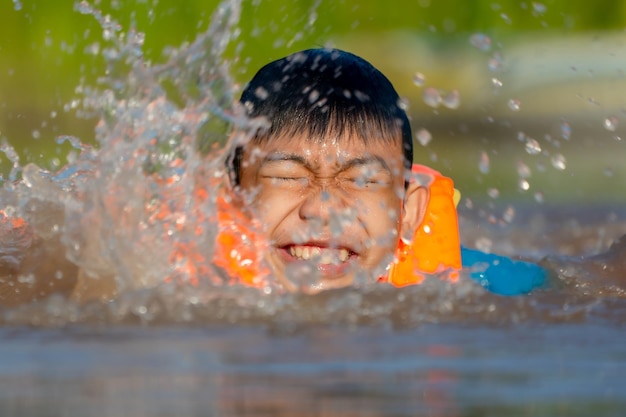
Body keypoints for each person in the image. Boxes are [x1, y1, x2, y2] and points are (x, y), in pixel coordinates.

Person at [224, 48, 547, 295]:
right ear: (233, 195)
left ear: (409, 211)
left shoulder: (478, 285)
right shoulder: (188, 286)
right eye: (288, 176)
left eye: (362, 180)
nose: (322, 209)